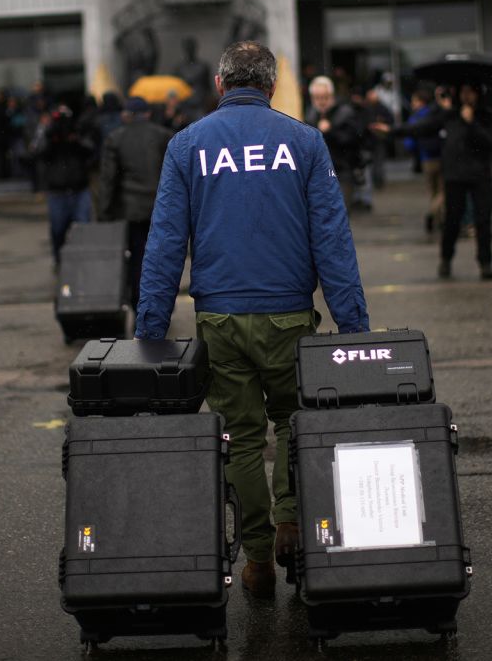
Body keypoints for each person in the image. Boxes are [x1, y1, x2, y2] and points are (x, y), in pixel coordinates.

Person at [135, 41, 370, 599]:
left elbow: (166, 243)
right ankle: (292, 519)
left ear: (220, 85)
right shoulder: (306, 143)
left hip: (219, 315)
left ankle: (258, 557)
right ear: (270, 86)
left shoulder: (187, 145)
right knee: (293, 421)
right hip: (289, 314)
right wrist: (354, 329)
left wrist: (149, 331)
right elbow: (332, 241)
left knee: (241, 437)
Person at [397, 83, 492, 279]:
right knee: (452, 221)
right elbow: (422, 127)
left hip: (481, 176)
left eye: (471, 91)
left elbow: (489, 143)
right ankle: (446, 259)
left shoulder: (486, 114)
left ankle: (485, 263)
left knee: (483, 221)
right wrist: (394, 130)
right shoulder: (449, 115)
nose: (467, 96)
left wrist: (471, 123)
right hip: (455, 175)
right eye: (464, 91)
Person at [97, 96, 173, 310]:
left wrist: (105, 213)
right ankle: (163, 303)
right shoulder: (163, 136)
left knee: (137, 259)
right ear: (147, 113)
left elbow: (109, 179)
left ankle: (139, 303)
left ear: (127, 115)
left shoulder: (116, 138)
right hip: (161, 209)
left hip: (131, 210)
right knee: (162, 257)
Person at [30, 102, 95, 267]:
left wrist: (76, 139)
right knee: (58, 229)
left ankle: (83, 260)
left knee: (84, 228)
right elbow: (38, 154)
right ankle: (59, 259)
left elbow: (90, 151)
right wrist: (52, 138)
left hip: (79, 188)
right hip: (57, 191)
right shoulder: (50, 134)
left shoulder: (77, 133)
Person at [304, 75, 362, 211]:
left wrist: (330, 131)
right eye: (317, 98)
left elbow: (354, 140)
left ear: (331, 95)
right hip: (319, 172)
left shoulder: (345, 112)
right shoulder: (311, 114)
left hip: (343, 170)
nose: (321, 102)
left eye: (325, 97)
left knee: (341, 212)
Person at [404, 87, 445, 233]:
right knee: (442, 191)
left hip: (426, 158)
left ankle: (436, 217)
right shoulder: (435, 114)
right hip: (439, 156)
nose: (412, 103)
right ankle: (435, 216)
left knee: (433, 191)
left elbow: (409, 141)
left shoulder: (416, 118)